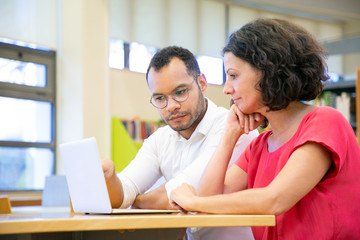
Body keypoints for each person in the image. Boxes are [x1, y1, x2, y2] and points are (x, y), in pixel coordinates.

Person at [169, 18, 360, 239]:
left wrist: (193, 201)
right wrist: (229, 136)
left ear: (267, 70)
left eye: (233, 75)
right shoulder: (259, 145)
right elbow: (209, 202)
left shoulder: (324, 121)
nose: (227, 89)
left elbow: (274, 200)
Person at [102, 46, 259, 240]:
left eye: (180, 92)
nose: (172, 106)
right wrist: (108, 177)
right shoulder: (160, 139)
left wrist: (137, 200)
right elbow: (124, 192)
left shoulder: (234, 128)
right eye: (160, 98)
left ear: (202, 83)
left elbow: (179, 198)